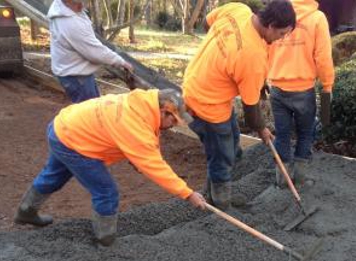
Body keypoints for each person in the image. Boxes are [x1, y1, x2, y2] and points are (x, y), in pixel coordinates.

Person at [14, 89, 207, 246]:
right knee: (106, 192)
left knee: (54, 176)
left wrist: (137, 157)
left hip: (62, 127)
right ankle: (105, 239)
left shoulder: (141, 102)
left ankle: (26, 211)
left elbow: (146, 140)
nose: (173, 126)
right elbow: (154, 165)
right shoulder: (135, 125)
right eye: (173, 120)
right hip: (75, 142)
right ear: (164, 111)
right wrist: (187, 193)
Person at [183, 0, 296, 210]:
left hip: (197, 82)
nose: (281, 40)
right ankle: (221, 204)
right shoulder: (252, 55)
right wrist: (262, 129)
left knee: (233, 141)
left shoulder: (239, 10)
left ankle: (214, 191)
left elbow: (208, 23)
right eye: (281, 34)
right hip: (206, 103)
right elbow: (252, 113)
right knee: (222, 154)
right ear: (271, 25)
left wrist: (223, 56)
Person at [268, 0, 334, 187]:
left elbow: (267, 47)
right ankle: (300, 179)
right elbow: (323, 56)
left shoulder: (279, 14)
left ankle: (282, 180)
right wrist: (327, 86)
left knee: (282, 136)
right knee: (305, 134)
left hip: (278, 89)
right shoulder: (317, 18)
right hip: (303, 90)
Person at [47, 0, 134, 103]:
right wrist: (121, 62)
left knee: (92, 108)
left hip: (75, 73)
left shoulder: (69, 10)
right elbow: (95, 52)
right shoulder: (70, 23)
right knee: (89, 113)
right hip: (76, 77)